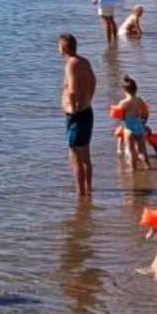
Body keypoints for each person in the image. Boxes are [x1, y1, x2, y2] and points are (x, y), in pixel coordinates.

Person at [58, 33, 97, 199]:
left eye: (59, 46)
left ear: (64, 48)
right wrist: (88, 99)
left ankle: (81, 194)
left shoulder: (71, 64)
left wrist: (74, 107)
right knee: (85, 155)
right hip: (87, 111)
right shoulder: (84, 61)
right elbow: (94, 81)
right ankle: (88, 189)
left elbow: (73, 89)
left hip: (77, 115)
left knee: (76, 157)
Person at [109, 75, 151, 168]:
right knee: (142, 151)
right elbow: (145, 113)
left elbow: (120, 116)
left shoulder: (123, 103)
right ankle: (148, 167)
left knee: (132, 152)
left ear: (124, 90)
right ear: (136, 89)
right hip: (139, 127)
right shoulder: (139, 100)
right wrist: (144, 122)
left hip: (129, 128)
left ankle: (133, 170)